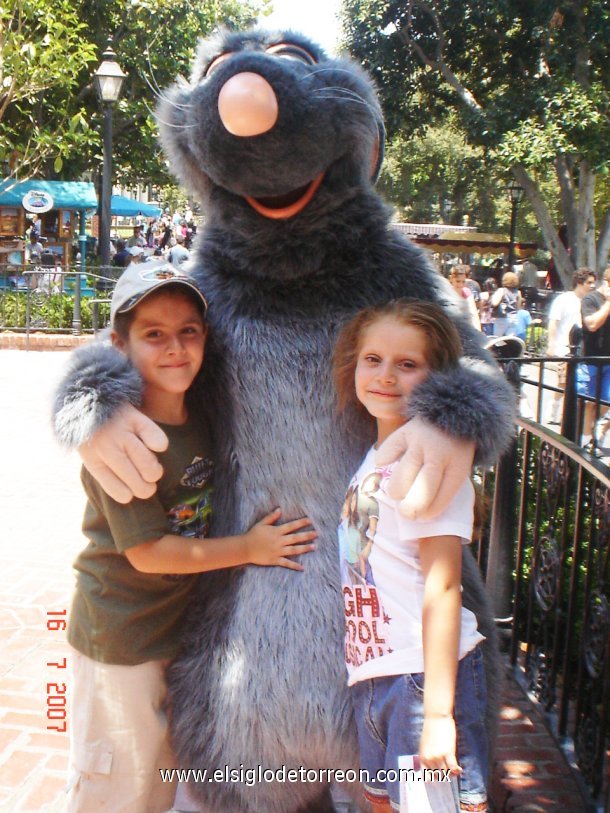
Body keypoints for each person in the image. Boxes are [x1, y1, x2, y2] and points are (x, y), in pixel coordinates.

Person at [65, 261, 317, 813]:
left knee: (158, 774)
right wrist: (250, 549)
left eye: (189, 331)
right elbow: (148, 551)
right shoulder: (123, 436)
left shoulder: (197, 417)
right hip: (120, 635)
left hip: (171, 633)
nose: (175, 347)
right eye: (153, 334)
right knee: (116, 781)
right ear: (119, 342)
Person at [333, 300, 488, 813]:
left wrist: (440, 715)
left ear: (437, 375)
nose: (385, 376)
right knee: (383, 802)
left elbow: (443, 588)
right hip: (375, 674)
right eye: (372, 359)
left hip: (425, 680)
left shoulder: (433, 460)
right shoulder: (378, 455)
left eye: (407, 364)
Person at [546, 268, 597, 424]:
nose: (593, 286)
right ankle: (554, 409)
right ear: (580, 282)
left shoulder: (591, 301)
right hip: (565, 348)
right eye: (589, 282)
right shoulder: (564, 299)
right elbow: (553, 322)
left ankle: (571, 414)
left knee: (579, 383)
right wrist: (551, 345)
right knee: (563, 381)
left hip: (584, 350)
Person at [577, 266, 610, 441]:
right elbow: (592, 325)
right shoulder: (591, 299)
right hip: (591, 358)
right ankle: (585, 439)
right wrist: (608, 304)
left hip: (609, 360)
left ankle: (599, 428)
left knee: (607, 402)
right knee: (589, 402)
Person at [448, 265, 481, 330]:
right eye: (458, 281)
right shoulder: (446, 292)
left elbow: (474, 313)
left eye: (463, 281)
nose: (461, 285)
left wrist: (478, 331)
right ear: (451, 279)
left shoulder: (466, 292)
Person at [490, 271, 522, 337]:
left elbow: (494, 303)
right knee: (510, 340)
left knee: (498, 340)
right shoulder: (518, 292)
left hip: (502, 318)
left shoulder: (502, 290)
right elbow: (518, 308)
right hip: (513, 318)